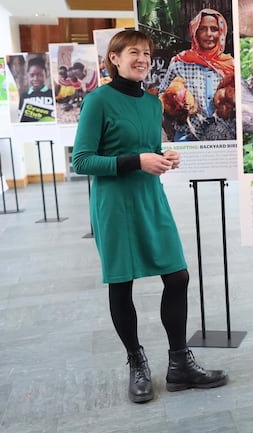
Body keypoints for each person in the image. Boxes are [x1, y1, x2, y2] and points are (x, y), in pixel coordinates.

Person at [72, 29, 227, 403]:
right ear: (114, 58)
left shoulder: (152, 103)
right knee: (121, 282)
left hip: (150, 198)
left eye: (145, 53)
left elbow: (150, 149)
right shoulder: (98, 102)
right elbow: (82, 160)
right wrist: (136, 161)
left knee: (177, 276)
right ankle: (136, 362)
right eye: (132, 53)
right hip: (114, 204)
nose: (141, 58)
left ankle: (179, 364)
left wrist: (164, 158)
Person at [158, 8, 235, 141]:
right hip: (187, 136)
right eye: (203, 29)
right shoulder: (180, 63)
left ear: (221, 32)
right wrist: (176, 104)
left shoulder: (230, 65)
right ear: (195, 33)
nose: (209, 34)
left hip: (222, 136)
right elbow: (162, 95)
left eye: (214, 29)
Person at [18, 55, 55, 122]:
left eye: (40, 75)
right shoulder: (24, 96)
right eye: (32, 75)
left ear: (46, 74)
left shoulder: (52, 94)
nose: (36, 79)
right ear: (28, 76)